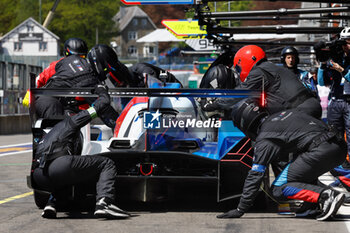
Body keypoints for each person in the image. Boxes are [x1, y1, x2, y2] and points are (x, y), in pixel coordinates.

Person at [217, 98, 347, 221]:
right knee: (298, 168)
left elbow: (255, 175)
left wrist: (241, 209)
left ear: (243, 122)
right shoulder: (286, 114)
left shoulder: (265, 137)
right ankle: (312, 206)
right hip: (339, 147)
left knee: (278, 188)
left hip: (320, 150)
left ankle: (326, 195)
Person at [32, 85, 130, 219]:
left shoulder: (51, 132)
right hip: (59, 165)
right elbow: (101, 105)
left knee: (65, 176)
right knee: (106, 163)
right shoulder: (72, 122)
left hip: (38, 175)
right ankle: (104, 203)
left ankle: (52, 203)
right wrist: (101, 90)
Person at [201, 45, 322, 120]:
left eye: (239, 66)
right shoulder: (270, 68)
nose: (240, 70)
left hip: (301, 111)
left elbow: (241, 93)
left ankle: (258, 163)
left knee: (265, 135)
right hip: (308, 107)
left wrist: (213, 105)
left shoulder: (260, 71)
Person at [317, 26, 350, 173]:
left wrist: (341, 69)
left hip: (349, 102)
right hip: (336, 100)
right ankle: (337, 166)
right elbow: (321, 82)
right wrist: (323, 63)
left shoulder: (342, 63)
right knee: (335, 135)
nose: (345, 46)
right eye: (344, 42)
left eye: (348, 42)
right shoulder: (337, 57)